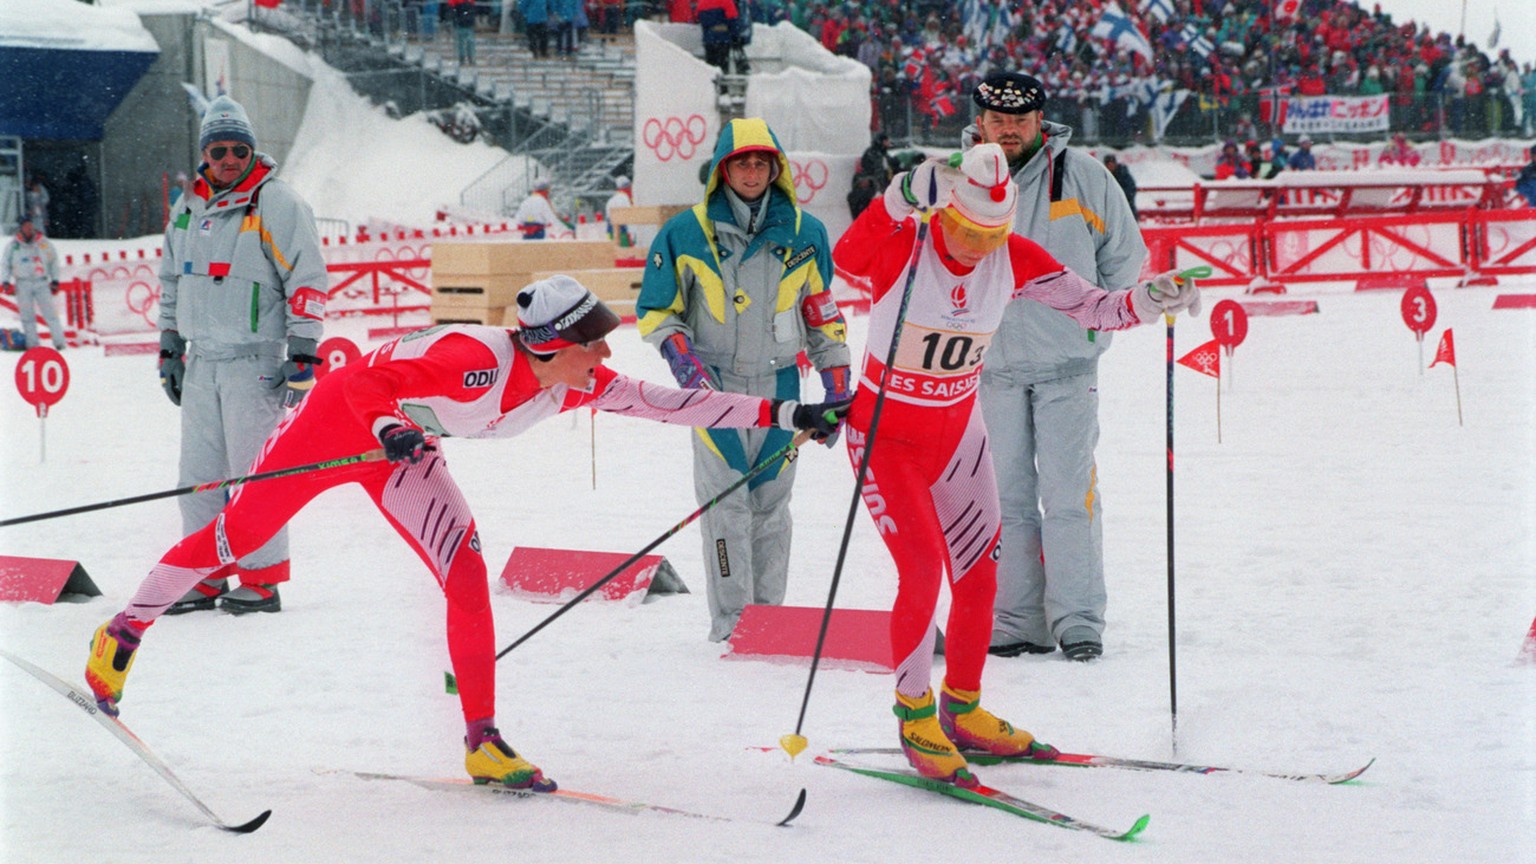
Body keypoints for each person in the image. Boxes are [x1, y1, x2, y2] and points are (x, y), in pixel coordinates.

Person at [84, 276, 850, 789]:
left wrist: (789, 414)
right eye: (593, 340)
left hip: (398, 449)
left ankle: (482, 739)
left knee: (465, 572)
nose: (606, 354)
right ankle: (122, 632)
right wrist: (387, 427)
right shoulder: (478, 362)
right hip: (332, 431)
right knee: (232, 544)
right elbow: (363, 385)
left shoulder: (571, 387)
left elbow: (673, 404)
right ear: (552, 344)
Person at [833, 144, 1199, 784]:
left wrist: (1152, 298)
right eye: (968, 230)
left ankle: (963, 709)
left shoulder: (1013, 257)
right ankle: (914, 713)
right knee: (921, 573)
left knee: (980, 577)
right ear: (945, 212)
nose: (978, 246)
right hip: (885, 436)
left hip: (956, 434)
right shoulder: (907, 246)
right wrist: (895, 197)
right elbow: (845, 259)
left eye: (992, 233)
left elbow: (1093, 306)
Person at [635, 117, 851, 642]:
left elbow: (822, 313)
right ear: (722, 170)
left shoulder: (808, 233)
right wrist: (682, 362)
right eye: (741, 163)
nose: (751, 172)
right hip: (715, 388)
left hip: (782, 388)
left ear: (775, 168)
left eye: (761, 162)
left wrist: (838, 386)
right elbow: (657, 309)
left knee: (772, 505)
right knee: (726, 503)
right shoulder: (685, 232)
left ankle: (769, 620)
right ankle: (732, 624)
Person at [968, 72, 1150, 663]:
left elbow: (1125, 256)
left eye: (1020, 121)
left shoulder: (1084, 176)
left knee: (1070, 497)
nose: (1010, 130)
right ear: (980, 123)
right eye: (999, 121)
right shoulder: (957, 181)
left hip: (1067, 365)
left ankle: (1077, 619)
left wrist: (1093, 321)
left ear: (1041, 122)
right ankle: (1017, 618)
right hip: (990, 368)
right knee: (1008, 501)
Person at [157, 94, 328, 616]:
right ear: (204, 155)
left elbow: (308, 277)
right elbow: (170, 280)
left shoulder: (277, 202)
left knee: (254, 476)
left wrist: (303, 349)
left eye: (239, 149)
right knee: (199, 477)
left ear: (253, 150)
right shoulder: (188, 207)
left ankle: (261, 578)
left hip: (255, 364)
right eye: (218, 150)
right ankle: (204, 575)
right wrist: (170, 346)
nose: (228, 159)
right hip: (203, 362)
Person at [1, 216, 65, 350]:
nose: (29, 228)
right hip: (22, 283)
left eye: (31, 225)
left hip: (41, 282)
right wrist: (5, 281)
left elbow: (53, 261)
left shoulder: (43, 243)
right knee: (27, 316)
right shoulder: (14, 246)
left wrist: (55, 279)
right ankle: (32, 345)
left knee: (50, 314)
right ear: (21, 227)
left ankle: (59, 342)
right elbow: (5, 264)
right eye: (26, 225)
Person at [847, 131, 898, 219]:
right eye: (886, 141)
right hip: (876, 188)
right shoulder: (874, 154)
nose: (888, 143)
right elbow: (878, 172)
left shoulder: (884, 155)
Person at [697, 0, 740, 72]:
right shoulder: (726, 1)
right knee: (723, 66)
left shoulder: (702, 2)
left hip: (709, 39)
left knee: (710, 67)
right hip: (723, 39)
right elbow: (733, 19)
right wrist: (735, 36)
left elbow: (699, 19)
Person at [1103, 153, 1138, 220]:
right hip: (1111, 213)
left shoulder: (1123, 175)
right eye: (1108, 165)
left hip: (1126, 211)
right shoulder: (1104, 176)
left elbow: (1130, 191)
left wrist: (1115, 196)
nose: (1110, 167)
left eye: (1111, 164)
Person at [603, 175, 634, 248]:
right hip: (622, 234)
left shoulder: (612, 200)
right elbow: (629, 220)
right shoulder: (625, 198)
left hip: (610, 233)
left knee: (614, 255)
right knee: (625, 256)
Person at [450, 0, 477, 65]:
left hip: (467, 23)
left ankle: (469, 58)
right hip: (462, 23)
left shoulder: (470, 3)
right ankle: (464, 58)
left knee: (468, 42)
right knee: (463, 42)